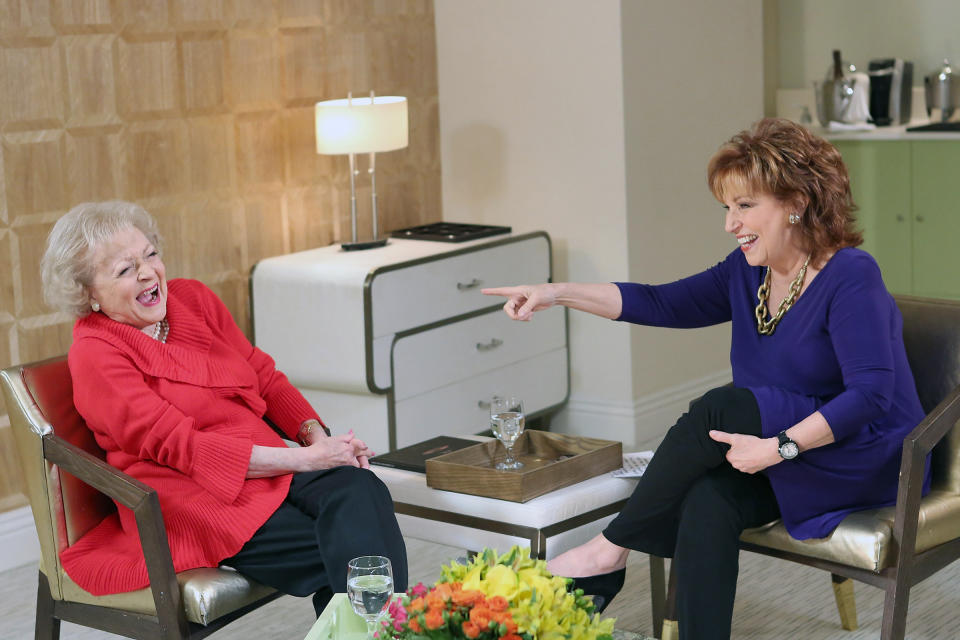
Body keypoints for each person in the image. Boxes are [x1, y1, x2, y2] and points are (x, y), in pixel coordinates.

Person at [483, 118, 928, 639]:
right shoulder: (748, 271)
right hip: (787, 447)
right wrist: (555, 292)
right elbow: (659, 300)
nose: (730, 223)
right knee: (707, 503)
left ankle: (608, 550)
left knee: (725, 407)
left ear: (795, 203)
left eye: (745, 206)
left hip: (861, 454)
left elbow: (871, 397)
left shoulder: (851, 275)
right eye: (727, 208)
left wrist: (778, 448)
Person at [40, 200, 408, 615]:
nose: (147, 272)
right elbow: (186, 449)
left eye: (150, 255)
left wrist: (322, 444)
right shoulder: (96, 353)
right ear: (88, 293)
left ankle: (375, 629)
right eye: (124, 270)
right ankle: (391, 628)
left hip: (273, 469)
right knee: (348, 544)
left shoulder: (192, 300)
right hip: (192, 500)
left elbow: (264, 377)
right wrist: (308, 460)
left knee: (360, 490)